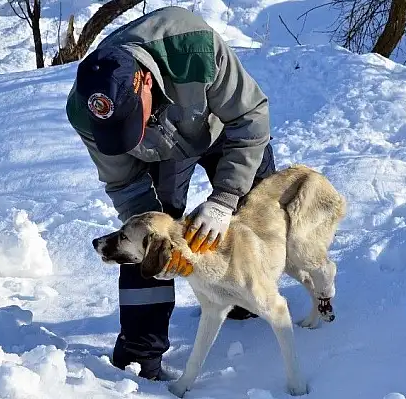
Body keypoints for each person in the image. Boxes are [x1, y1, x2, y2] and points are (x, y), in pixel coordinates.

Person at [65, 5, 276, 381]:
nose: (131, 130)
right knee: (144, 242)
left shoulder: (193, 47)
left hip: (221, 128)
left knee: (256, 210)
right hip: (161, 155)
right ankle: (139, 354)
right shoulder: (86, 111)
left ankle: (245, 299)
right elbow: (124, 184)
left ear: (146, 81)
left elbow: (251, 117)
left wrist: (226, 197)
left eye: (132, 120)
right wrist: (159, 246)